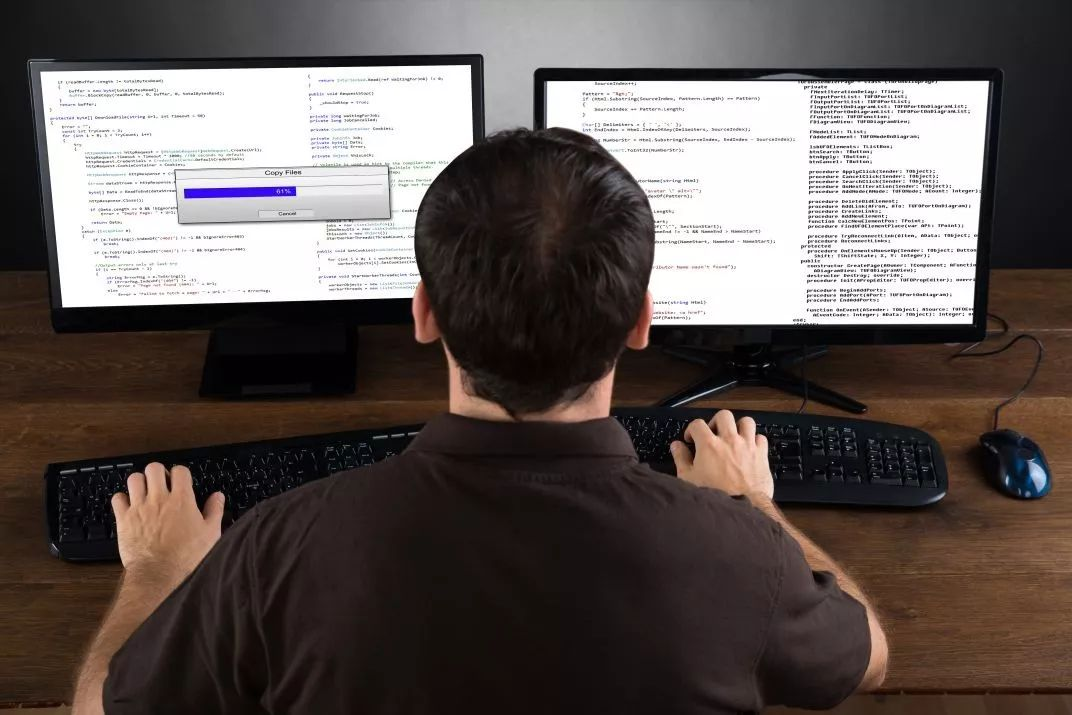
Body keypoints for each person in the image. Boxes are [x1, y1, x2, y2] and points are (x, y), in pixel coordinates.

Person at [73, 128, 887, 715]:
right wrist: (755, 503)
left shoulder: (281, 548)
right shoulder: (741, 555)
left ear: (423, 313)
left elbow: (99, 708)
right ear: (642, 321)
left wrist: (155, 567)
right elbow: (870, 658)